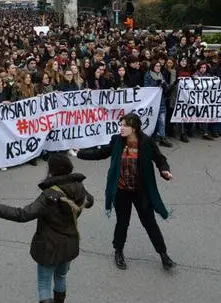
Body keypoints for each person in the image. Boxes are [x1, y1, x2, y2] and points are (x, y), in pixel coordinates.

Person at [0, 153, 94, 303]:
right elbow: (89, 201)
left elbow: (23, 214)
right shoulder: (79, 186)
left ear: (52, 170)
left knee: (44, 283)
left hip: (48, 247)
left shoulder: (49, 195)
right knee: (61, 277)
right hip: (69, 244)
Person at [75, 113, 176, 271]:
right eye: (120, 125)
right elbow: (101, 153)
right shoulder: (117, 141)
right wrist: (81, 153)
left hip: (140, 191)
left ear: (134, 128)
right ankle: (118, 252)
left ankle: (164, 254)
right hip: (121, 190)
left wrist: (165, 170)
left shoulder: (146, 142)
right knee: (122, 222)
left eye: (124, 126)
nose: (121, 128)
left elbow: (160, 159)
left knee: (149, 223)